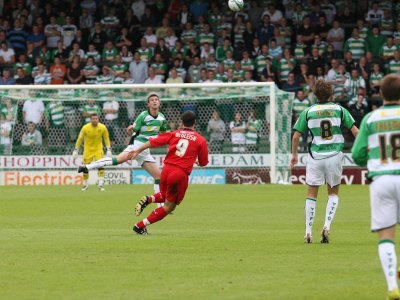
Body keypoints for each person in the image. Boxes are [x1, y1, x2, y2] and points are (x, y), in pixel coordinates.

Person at [290, 80, 359, 244]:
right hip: (335, 154)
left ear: (315, 95)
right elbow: (356, 131)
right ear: (331, 94)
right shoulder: (340, 110)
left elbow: (296, 136)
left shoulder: (308, 111)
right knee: (333, 193)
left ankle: (308, 232)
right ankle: (326, 226)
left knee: (311, 194)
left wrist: (294, 155)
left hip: (316, 156)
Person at [351, 74, 400, 300]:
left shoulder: (370, 119)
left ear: (381, 93)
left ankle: (392, 286)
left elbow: (357, 155)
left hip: (381, 180)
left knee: (386, 235)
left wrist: (372, 160)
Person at [78, 93, 168, 204]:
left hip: (145, 151)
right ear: (148, 104)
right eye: (152, 100)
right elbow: (133, 130)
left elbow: (164, 133)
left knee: (159, 177)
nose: (154, 101)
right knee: (117, 160)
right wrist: (130, 130)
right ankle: (87, 166)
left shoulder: (162, 118)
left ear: (159, 102)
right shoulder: (143, 115)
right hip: (136, 146)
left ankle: (160, 208)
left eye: (156, 99)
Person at [129, 110, 209, 235]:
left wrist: (138, 150)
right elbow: (204, 162)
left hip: (166, 170)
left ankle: (148, 199)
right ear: (195, 123)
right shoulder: (200, 140)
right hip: (179, 174)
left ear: (181, 122)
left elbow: (154, 141)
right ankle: (139, 226)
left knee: (165, 195)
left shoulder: (174, 134)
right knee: (169, 207)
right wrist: (196, 160)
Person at [73, 113, 111, 192]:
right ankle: (86, 184)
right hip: (88, 150)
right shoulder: (85, 128)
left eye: (96, 119)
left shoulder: (102, 127)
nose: (95, 120)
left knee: (101, 165)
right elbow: (80, 139)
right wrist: (76, 150)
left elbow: (106, 138)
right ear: (90, 120)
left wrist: (108, 149)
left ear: (98, 119)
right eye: (93, 119)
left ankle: (101, 185)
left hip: (98, 150)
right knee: (85, 167)